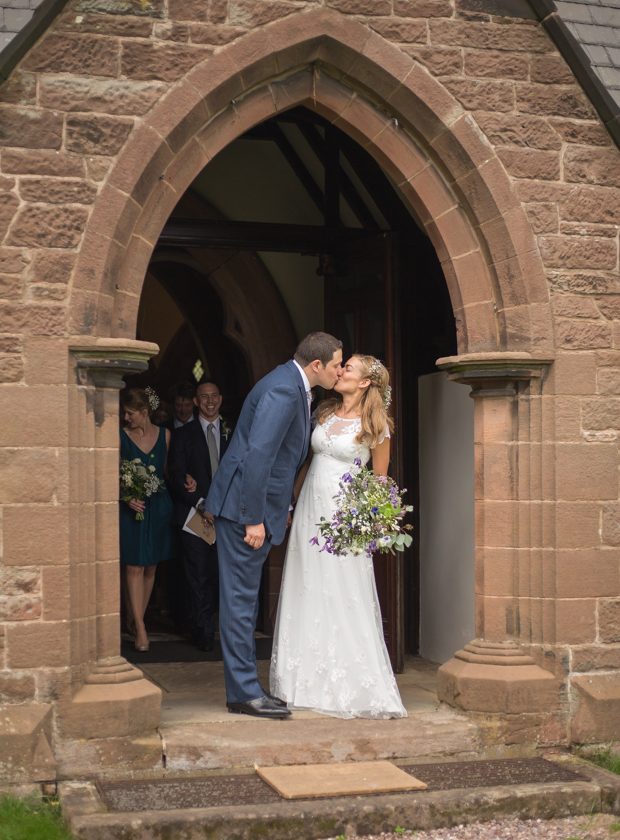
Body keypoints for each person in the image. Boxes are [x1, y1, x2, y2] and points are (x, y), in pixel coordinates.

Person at [205, 332, 343, 719]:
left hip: (255, 508)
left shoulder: (292, 384)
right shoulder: (284, 390)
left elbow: (281, 459)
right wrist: (253, 518)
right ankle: (244, 694)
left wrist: (280, 506)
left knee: (243, 600)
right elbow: (258, 458)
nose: (339, 371)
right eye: (336, 365)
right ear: (317, 365)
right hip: (242, 512)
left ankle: (246, 689)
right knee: (239, 602)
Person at [270, 355, 407, 720]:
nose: (341, 370)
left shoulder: (377, 425)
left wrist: (369, 522)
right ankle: (301, 680)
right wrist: (290, 502)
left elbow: (380, 481)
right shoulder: (323, 412)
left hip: (344, 519)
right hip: (308, 513)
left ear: (364, 383)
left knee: (343, 592)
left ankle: (353, 683)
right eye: (342, 365)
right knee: (306, 586)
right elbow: (308, 463)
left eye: (349, 368)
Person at [168, 379, 231, 652]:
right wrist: (204, 504)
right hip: (196, 517)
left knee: (223, 576)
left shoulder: (233, 432)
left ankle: (226, 630)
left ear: (220, 398)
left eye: (214, 396)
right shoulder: (183, 435)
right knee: (198, 576)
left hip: (228, 518)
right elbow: (177, 476)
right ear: (196, 401)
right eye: (204, 397)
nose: (209, 401)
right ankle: (204, 632)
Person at [119, 387, 175, 652]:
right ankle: (140, 628)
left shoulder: (165, 435)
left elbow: (166, 472)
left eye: (129, 413)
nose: (125, 417)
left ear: (144, 412)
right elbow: (110, 473)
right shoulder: (120, 436)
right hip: (133, 507)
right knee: (134, 567)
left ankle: (135, 618)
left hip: (158, 507)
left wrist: (185, 479)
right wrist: (126, 496)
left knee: (151, 566)